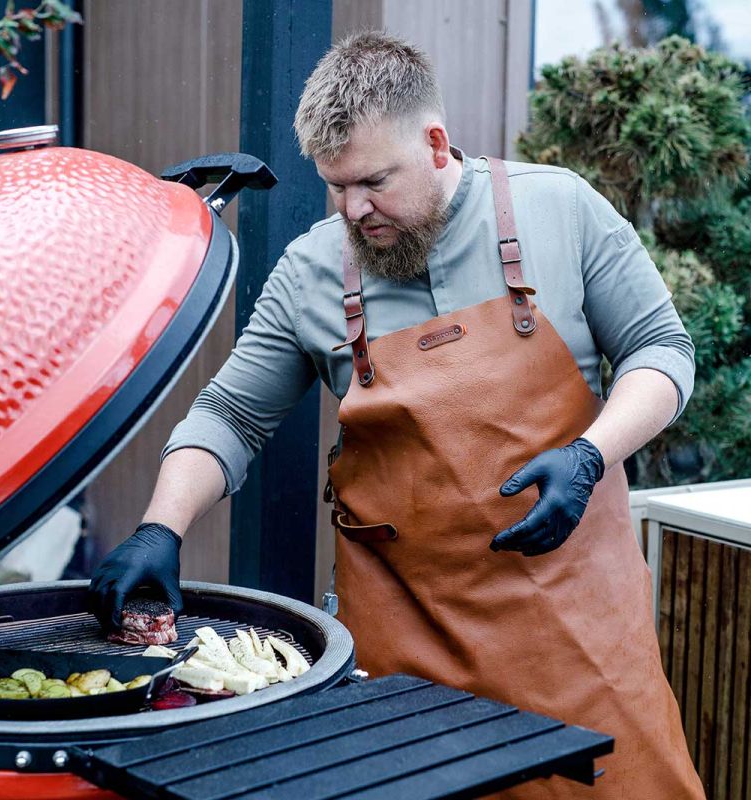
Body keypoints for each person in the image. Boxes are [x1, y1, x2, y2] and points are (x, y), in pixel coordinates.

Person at [90, 32, 705, 799]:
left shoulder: (560, 208)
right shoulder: (312, 269)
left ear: (436, 143)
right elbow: (230, 415)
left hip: (578, 632)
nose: (355, 209)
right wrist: (161, 527)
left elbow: (661, 351)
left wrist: (590, 455)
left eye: (374, 182)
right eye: (336, 186)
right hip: (405, 656)